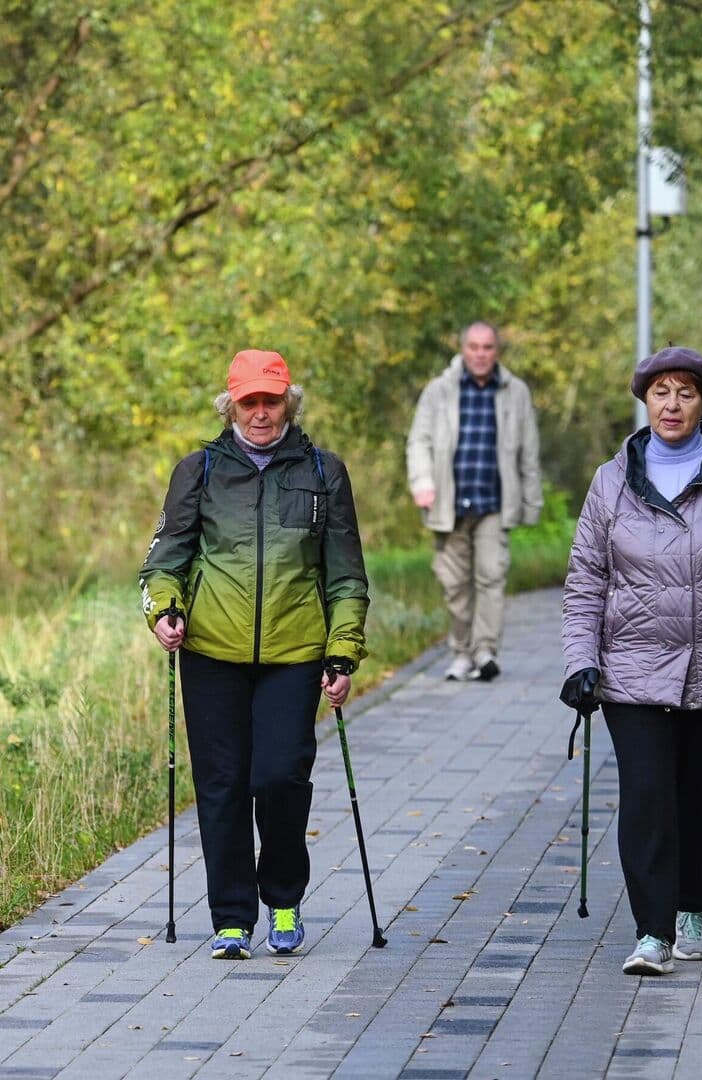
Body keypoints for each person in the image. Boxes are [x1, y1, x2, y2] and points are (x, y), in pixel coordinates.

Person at [559, 346, 702, 976]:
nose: (672, 404)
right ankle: (652, 931)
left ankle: (695, 904)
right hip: (632, 670)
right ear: (645, 400)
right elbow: (585, 577)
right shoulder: (612, 481)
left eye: (685, 393)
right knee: (645, 797)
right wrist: (579, 661)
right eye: (660, 392)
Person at [140, 349, 370, 960]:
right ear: (232, 405)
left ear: (288, 402)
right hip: (212, 650)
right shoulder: (200, 471)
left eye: (272, 401)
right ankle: (233, 918)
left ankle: (286, 901)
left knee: (279, 778)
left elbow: (346, 576)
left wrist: (342, 651)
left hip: (295, 652)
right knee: (221, 784)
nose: (261, 413)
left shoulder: (324, 472)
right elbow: (165, 559)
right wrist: (165, 610)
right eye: (250, 402)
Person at [404, 321, 543, 681]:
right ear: (463, 349)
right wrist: (422, 482)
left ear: (497, 351)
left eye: (488, 347)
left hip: (494, 502)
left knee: (491, 577)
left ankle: (484, 652)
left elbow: (529, 451)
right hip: (448, 503)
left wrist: (531, 502)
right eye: (474, 347)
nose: (481, 354)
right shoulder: (439, 391)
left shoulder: (516, 392)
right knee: (454, 584)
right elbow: (418, 441)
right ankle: (461, 652)